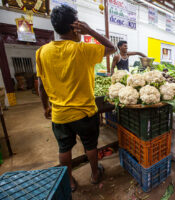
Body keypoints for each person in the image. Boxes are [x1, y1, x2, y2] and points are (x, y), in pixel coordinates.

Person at [36, 5, 116, 192]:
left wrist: (45, 107)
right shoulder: (83, 50)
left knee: (64, 148)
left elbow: (40, 86)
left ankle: (70, 181)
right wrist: (89, 30)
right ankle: (95, 175)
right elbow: (111, 48)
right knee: (90, 145)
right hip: (84, 112)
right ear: (75, 27)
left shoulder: (42, 52)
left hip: (60, 114)